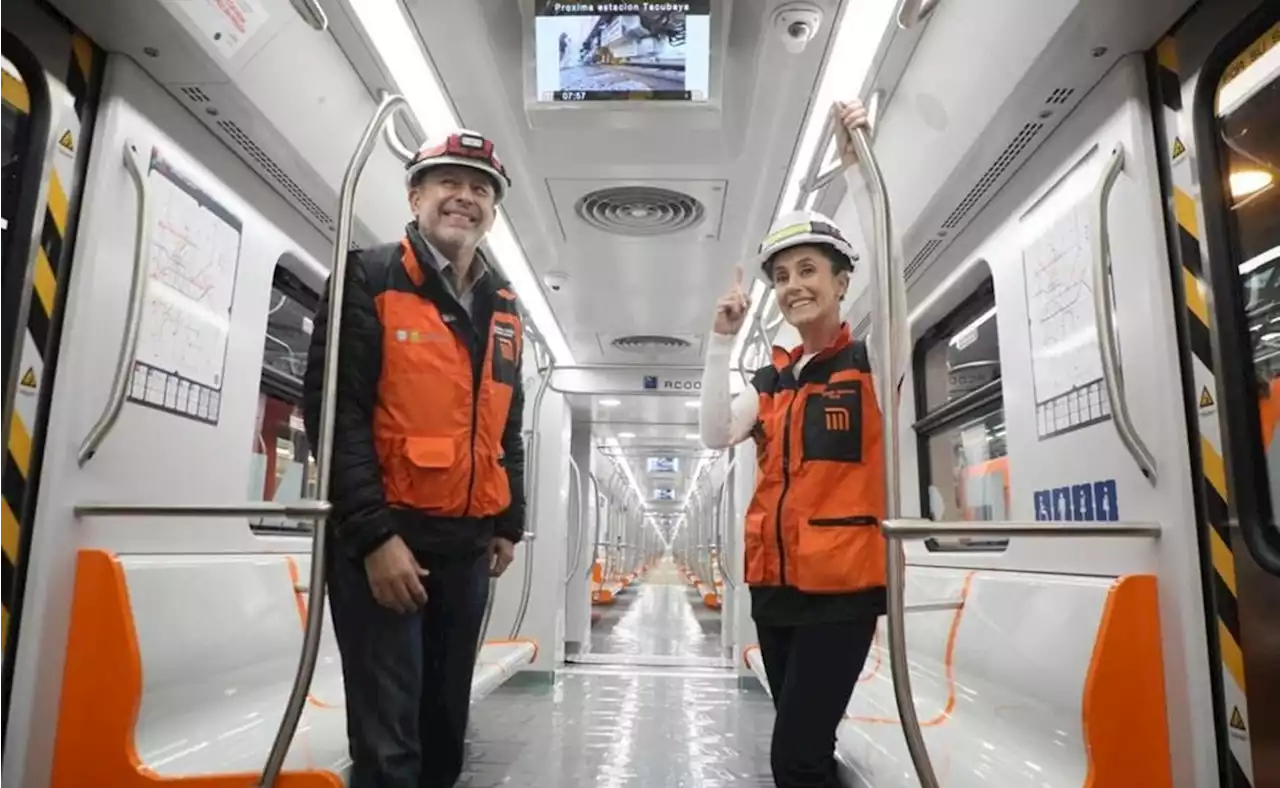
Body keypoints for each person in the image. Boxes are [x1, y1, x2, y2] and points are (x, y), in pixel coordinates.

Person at [302, 128, 527, 788]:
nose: (465, 198)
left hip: (467, 547)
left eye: (481, 189)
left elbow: (505, 424)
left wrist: (508, 520)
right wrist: (373, 538)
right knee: (389, 741)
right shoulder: (368, 276)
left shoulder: (505, 306)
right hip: (386, 542)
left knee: (443, 731)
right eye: (449, 183)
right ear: (416, 195)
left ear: (493, 210)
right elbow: (334, 413)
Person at [698, 98, 908, 788]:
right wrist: (721, 342)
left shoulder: (873, 360)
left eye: (809, 270)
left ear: (842, 281)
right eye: (782, 277)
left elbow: (893, 276)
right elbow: (711, 431)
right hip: (775, 589)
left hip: (842, 590)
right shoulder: (771, 380)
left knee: (795, 754)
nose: (794, 287)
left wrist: (861, 172)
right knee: (802, 743)